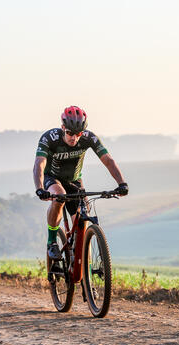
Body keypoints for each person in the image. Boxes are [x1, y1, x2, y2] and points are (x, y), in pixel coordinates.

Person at [33, 105, 128, 260]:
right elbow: (39, 164)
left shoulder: (89, 138)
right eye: (70, 133)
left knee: (82, 218)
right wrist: (40, 188)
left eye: (78, 134)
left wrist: (122, 183)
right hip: (52, 177)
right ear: (63, 127)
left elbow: (108, 160)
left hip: (74, 180)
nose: (74, 138)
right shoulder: (50, 138)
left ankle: (82, 262)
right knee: (59, 195)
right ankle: (52, 242)